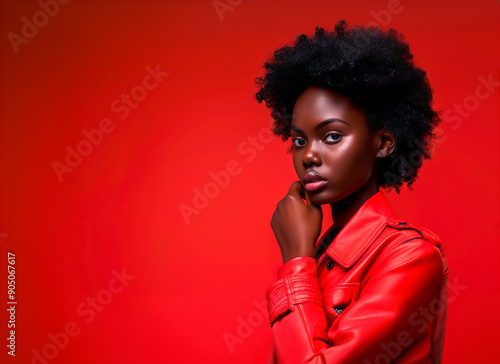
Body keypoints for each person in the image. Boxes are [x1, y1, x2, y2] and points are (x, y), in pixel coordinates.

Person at [254, 20, 448, 363]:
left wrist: (297, 261)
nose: (309, 155)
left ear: (383, 143)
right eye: (300, 140)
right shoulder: (321, 255)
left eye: (332, 136)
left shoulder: (411, 258)